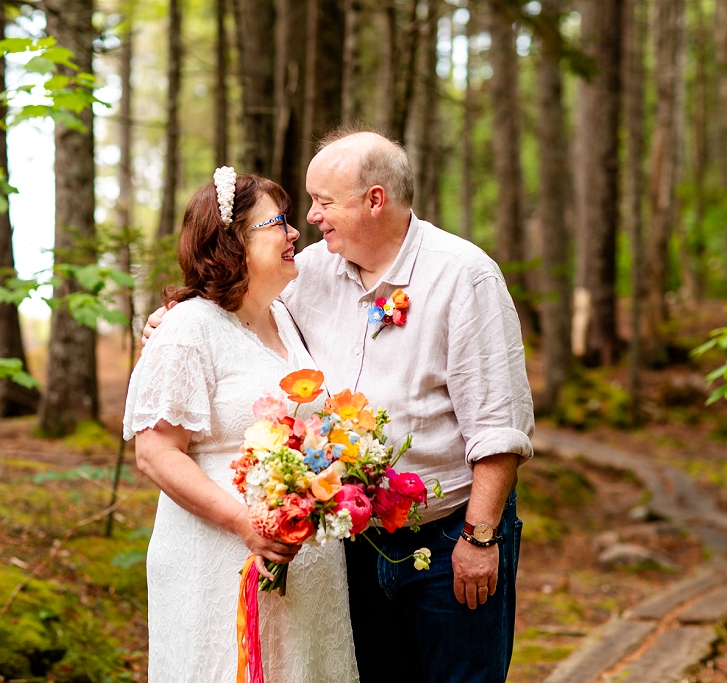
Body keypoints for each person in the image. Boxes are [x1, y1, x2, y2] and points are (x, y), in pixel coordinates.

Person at [146, 128, 534, 683]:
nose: (310, 218)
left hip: (450, 538)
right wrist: (168, 320)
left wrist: (479, 536)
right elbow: (231, 306)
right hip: (351, 547)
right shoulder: (310, 274)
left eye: (324, 202)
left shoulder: (463, 276)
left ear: (374, 200)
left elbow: (499, 425)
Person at [123, 170, 359, 683]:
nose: (296, 233)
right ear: (234, 243)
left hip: (308, 574)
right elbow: (156, 454)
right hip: (217, 562)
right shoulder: (188, 329)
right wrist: (243, 524)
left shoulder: (287, 319)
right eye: (279, 223)